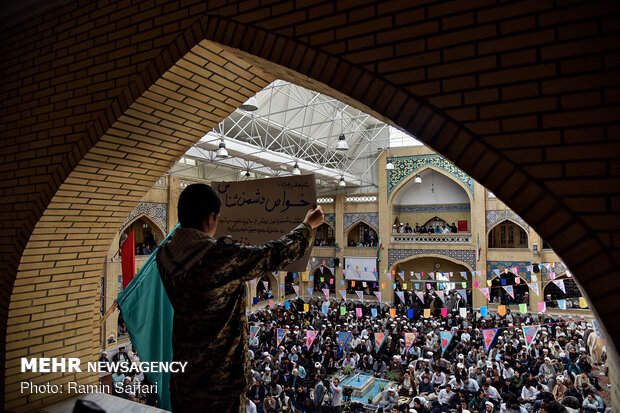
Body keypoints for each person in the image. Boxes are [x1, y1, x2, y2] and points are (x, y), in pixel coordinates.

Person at [156, 183, 323, 413]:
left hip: (183, 380)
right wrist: (307, 226)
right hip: (219, 386)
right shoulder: (219, 258)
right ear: (211, 217)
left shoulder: (165, 255)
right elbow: (273, 254)